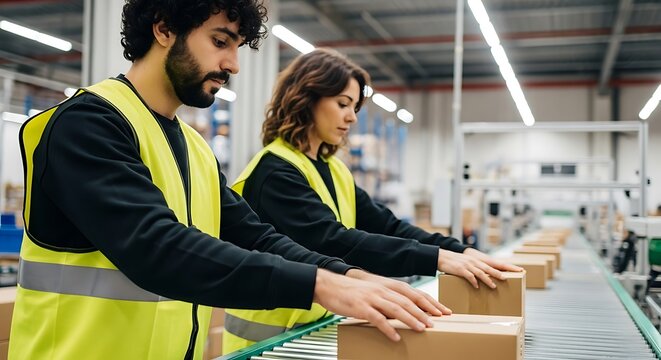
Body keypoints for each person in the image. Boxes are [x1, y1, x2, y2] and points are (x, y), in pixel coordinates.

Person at [8, 3, 450, 359]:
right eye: (220, 42)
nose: (233, 64)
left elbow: (256, 236)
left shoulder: (193, 146)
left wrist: (348, 275)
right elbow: (155, 246)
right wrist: (318, 285)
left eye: (237, 46)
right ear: (164, 29)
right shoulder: (87, 124)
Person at [223, 48, 523, 353]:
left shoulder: (334, 169)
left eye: (354, 106)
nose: (352, 117)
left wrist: (459, 251)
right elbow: (333, 240)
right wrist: (437, 259)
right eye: (342, 104)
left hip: (311, 333)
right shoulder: (274, 171)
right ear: (306, 99)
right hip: (265, 344)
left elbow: (388, 226)